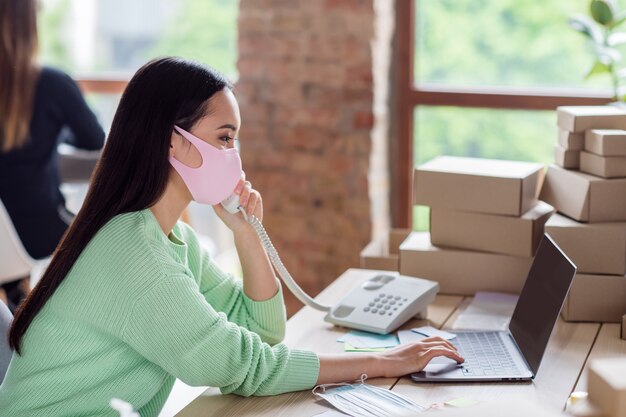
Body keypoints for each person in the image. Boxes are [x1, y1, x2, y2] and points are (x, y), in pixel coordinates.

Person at [0, 57, 463, 416]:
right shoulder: (129, 248)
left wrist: (247, 234)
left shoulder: (170, 240)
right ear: (171, 141)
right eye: (224, 138)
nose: (234, 156)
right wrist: (385, 364)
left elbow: (263, 333)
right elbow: (240, 367)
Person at [0, 0, 105, 311]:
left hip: (7, 240)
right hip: (38, 233)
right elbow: (95, 141)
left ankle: (15, 291)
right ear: (29, 26)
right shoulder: (52, 85)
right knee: (104, 236)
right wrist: (56, 132)